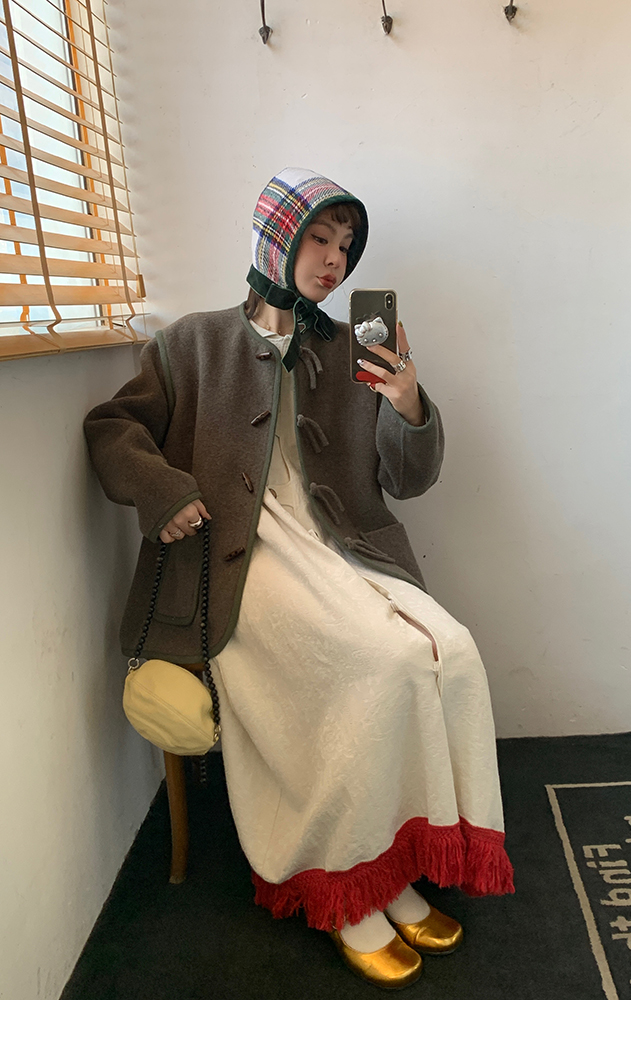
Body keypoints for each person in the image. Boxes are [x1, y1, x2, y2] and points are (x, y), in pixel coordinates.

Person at [84, 168, 514, 990]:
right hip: (241, 557)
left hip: (345, 547)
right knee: (379, 664)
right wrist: (163, 491)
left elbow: (406, 479)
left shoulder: (352, 346)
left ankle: (390, 866)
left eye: (345, 246)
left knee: (450, 651)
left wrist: (408, 403)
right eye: (318, 238)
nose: (333, 260)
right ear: (275, 238)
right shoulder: (191, 343)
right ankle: (343, 880)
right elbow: (113, 428)